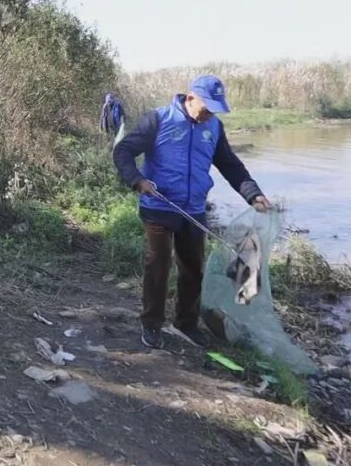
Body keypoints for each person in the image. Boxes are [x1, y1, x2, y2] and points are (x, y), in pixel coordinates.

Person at [113, 75, 270, 350]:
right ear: (190, 98)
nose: (208, 114)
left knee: (194, 269)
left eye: (214, 109)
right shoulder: (158, 119)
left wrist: (253, 194)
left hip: (194, 209)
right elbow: (123, 151)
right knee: (158, 265)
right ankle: (151, 324)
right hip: (159, 206)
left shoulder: (214, 128)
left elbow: (231, 166)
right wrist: (137, 180)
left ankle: (185, 324)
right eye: (205, 107)